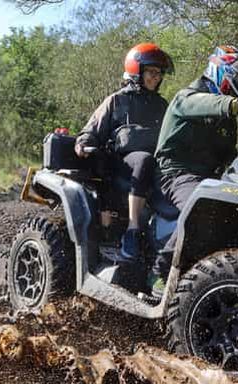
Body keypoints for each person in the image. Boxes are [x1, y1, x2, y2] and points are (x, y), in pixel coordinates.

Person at [149, 45, 238, 295]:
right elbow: (207, 104)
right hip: (177, 175)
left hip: (213, 177)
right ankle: (161, 273)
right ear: (221, 71)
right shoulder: (187, 97)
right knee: (203, 204)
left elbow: (230, 153)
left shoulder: (226, 118)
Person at [74, 43, 173, 260]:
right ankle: (133, 229)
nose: (157, 78)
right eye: (152, 72)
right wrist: (82, 143)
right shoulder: (117, 100)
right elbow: (91, 130)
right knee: (144, 160)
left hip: (155, 167)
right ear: (136, 71)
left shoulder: (162, 105)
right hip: (122, 166)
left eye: (160, 73)